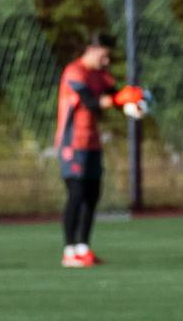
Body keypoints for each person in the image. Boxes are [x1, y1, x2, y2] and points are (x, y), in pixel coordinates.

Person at [54, 32, 143, 267]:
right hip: (72, 143)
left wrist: (135, 100)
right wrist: (119, 101)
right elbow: (91, 101)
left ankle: (83, 248)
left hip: (92, 142)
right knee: (76, 194)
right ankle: (69, 251)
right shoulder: (74, 72)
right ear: (92, 49)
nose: (107, 60)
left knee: (92, 195)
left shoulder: (100, 74)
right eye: (104, 55)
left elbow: (115, 93)